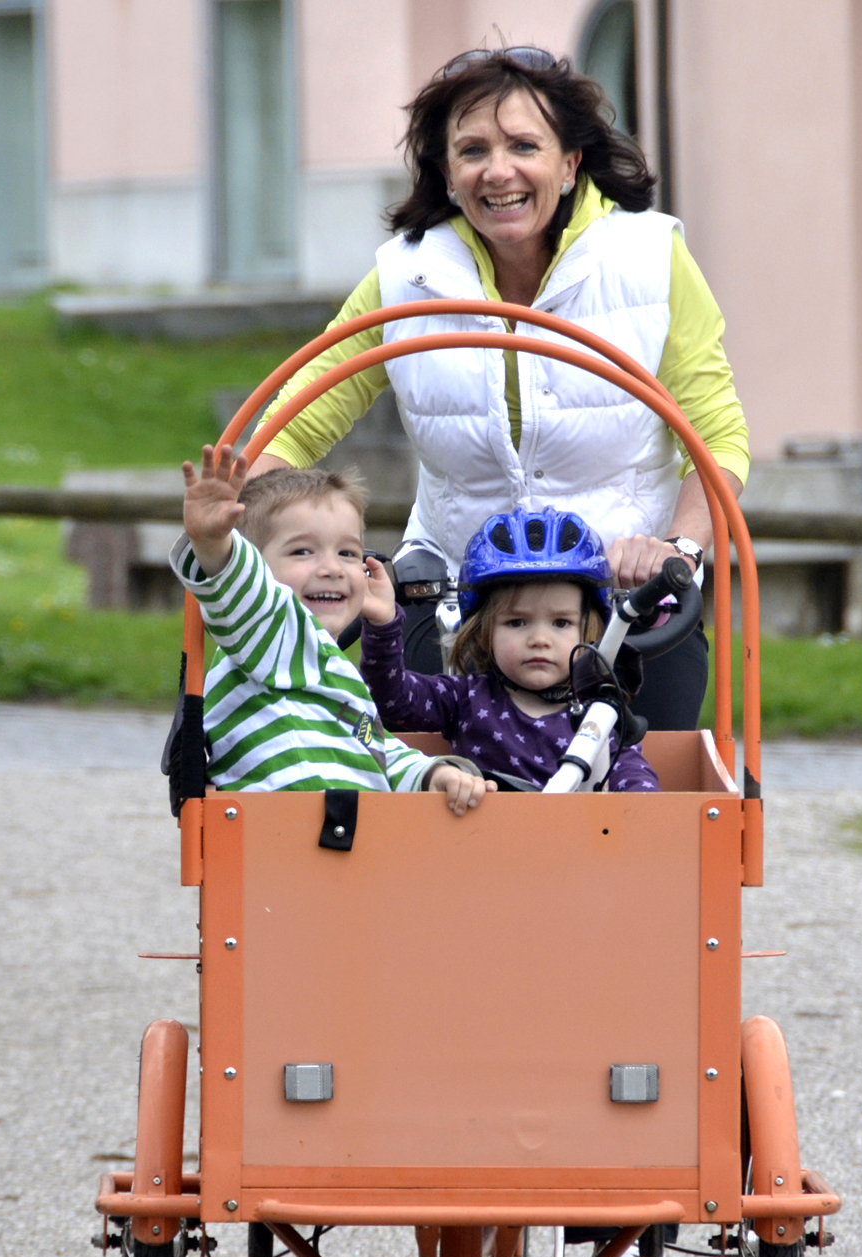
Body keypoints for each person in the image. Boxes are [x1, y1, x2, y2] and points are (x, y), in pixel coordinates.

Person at [247, 47, 749, 732]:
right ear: (447, 173)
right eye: (473, 149)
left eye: (523, 145)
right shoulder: (406, 275)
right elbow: (299, 417)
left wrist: (675, 552)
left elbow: (715, 436)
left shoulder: (649, 258)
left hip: (616, 600)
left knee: (645, 798)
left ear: (570, 163)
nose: (498, 171)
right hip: (455, 594)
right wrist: (244, 525)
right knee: (433, 800)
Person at [172, 443, 486, 810]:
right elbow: (242, 590)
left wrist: (430, 773)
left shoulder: (331, 670)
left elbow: (373, 747)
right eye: (303, 551)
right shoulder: (270, 638)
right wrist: (213, 544)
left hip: (342, 845)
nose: (333, 568)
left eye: (348, 553)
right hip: (285, 843)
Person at [358, 507, 658, 792]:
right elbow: (392, 697)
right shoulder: (465, 698)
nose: (540, 639)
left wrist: (642, 808)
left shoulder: (601, 711)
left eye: (561, 623)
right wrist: (383, 626)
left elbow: (635, 776)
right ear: (483, 631)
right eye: (516, 622)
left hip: (579, 842)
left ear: (589, 630)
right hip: (481, 840)